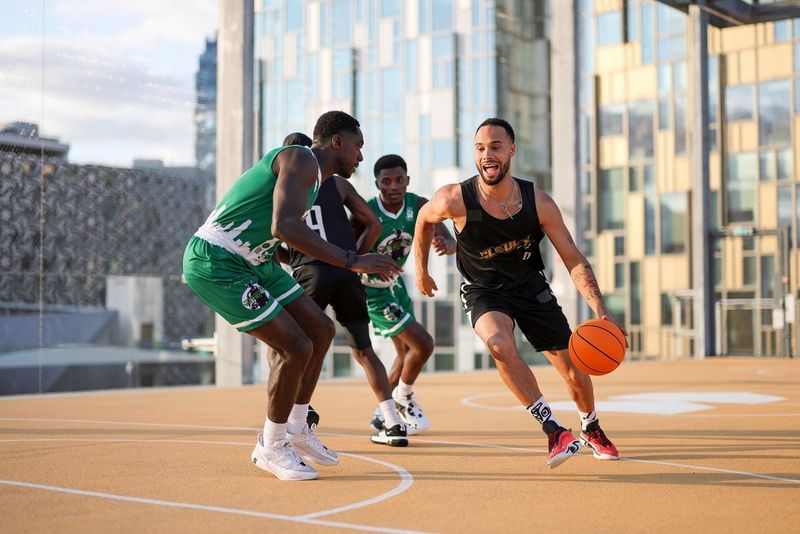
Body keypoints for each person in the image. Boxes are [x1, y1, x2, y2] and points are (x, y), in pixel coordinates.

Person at [182, 111, 401, 481]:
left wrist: (305, 260)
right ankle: (270, 445)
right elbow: (283, 225)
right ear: (337, 142)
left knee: (321, 331)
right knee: (295, 347)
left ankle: (298, 429)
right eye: (358, 147)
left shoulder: (314, 180)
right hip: (218, 260)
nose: (360, 157)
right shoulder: (300, 157)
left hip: (258, 260)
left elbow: (278, 234)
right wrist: (353, 259)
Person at [413, 117, 626, 469]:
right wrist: (421, 270)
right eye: (480, 148)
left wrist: (601, 311)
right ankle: (554, 430)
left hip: (530, 286)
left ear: (512, 150)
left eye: (496, 146)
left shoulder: (537, 202)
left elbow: (572, 257)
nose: (487, 155)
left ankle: (591, 426)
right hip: (483, 290)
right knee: (498, 344)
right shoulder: (455, 198)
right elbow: (423, 219)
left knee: (573, 369)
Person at [274, 134, 409, 447]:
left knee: (288, 346)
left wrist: (293, 259)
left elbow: (275, 237)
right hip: (347, 272)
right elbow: (373, 223)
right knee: (364, 349)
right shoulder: (338, 184)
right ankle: (392, 421)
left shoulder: (283, 184)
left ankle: (298, 412)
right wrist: (355, 259)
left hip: (310, 272)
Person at [354, 154, 456, 434]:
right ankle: (403, 398)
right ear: (377, 184)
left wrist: (447, 243)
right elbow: (349, 254)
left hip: (397, 287)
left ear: (407, 180)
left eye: (399, 179)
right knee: (423, 345)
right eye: (386, 181)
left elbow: (448, 236)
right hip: (374, 291)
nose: (394, 185)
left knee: (405, 353)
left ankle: (382, 414)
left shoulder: (419, 204)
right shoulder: (366, 212)